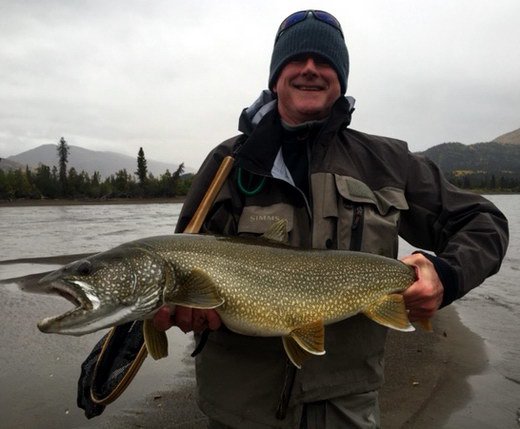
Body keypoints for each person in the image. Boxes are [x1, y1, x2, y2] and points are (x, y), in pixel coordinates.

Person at [153, 10, 509, 428]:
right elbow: (182, 265)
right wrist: (176, 309)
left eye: (323, 61)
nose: (309, 69)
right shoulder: (226, 165)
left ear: (340, 77)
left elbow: (484, 222)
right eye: (296, 59)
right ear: (276, 75)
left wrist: (446, 276)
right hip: (239, 408)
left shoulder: (388, 163)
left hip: (346, 405)